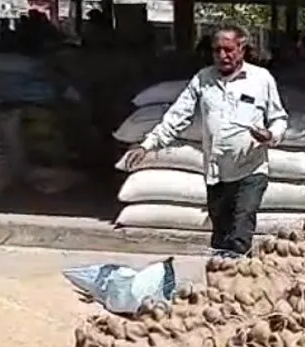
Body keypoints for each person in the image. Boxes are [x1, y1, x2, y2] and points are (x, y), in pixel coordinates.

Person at [122, 25, 288, 258]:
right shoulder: (203, 79)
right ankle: (220, 284)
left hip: (251, 169)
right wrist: (147, 144)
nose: (222, 56)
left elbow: (278, 118)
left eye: (228, 49)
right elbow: (178, 115)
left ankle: (238, 280)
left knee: (241, 230)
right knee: (220, 235)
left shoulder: (261, 79)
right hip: (217, 172)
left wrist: (270, 135)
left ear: (242, 49)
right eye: (217, 50)